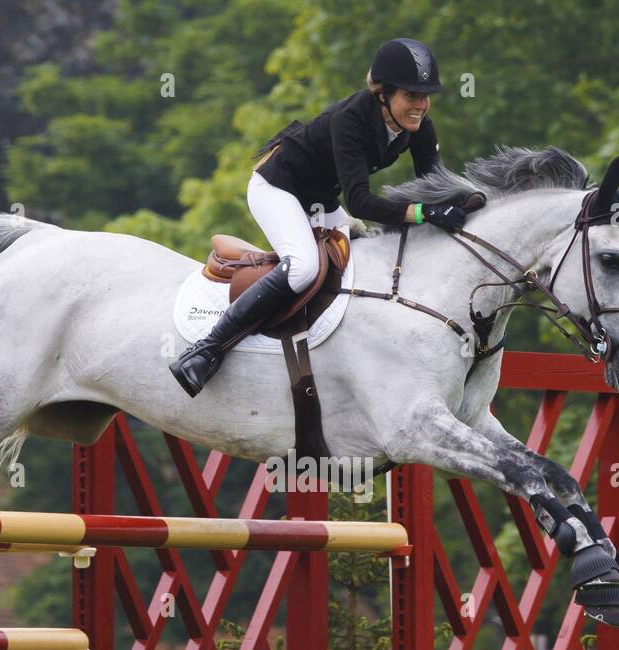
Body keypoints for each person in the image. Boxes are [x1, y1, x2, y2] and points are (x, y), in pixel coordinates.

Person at [169, 37, 469, 397]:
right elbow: (360, 201)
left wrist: (470, 204)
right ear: (383, 94)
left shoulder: (417, 127)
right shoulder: (351, 120)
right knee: (304, 267)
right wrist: (424, 212)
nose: (421, 105)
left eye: (425, 95)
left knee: (366, 254)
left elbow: (434, 185)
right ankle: (205, 350)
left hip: (318, 198)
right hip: (277, 188)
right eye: (412, 96)